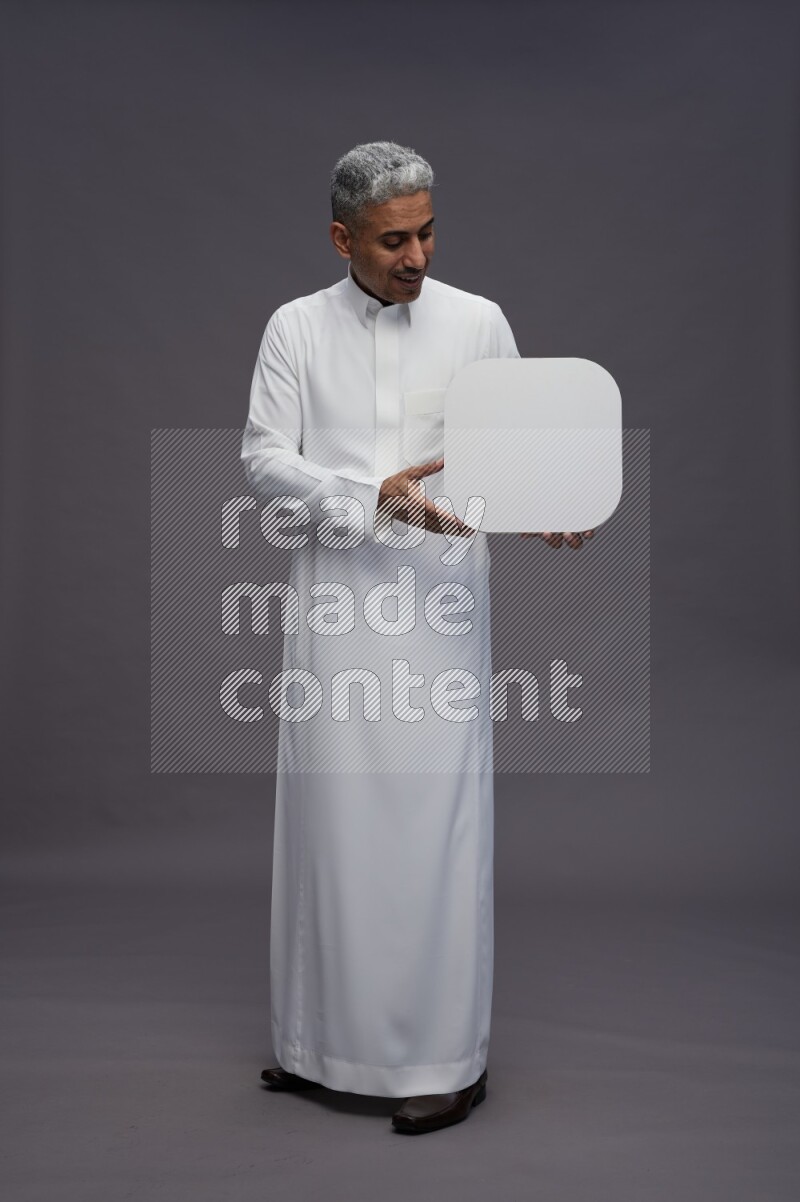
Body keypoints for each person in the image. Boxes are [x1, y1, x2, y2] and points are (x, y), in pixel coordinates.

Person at [242, 141, 589, 1135]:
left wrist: (549, 502)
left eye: (428, 230)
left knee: (433, 835)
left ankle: (447, 1061)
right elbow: (262, 459)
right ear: (341, 237)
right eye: (394, 238)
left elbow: (517, 456)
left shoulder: (477, 322)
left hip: (436, 616)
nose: (417, 254)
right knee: (329, 828)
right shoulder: (294, 329)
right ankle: (315, 1045)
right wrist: (368, 495)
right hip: (333, 607)